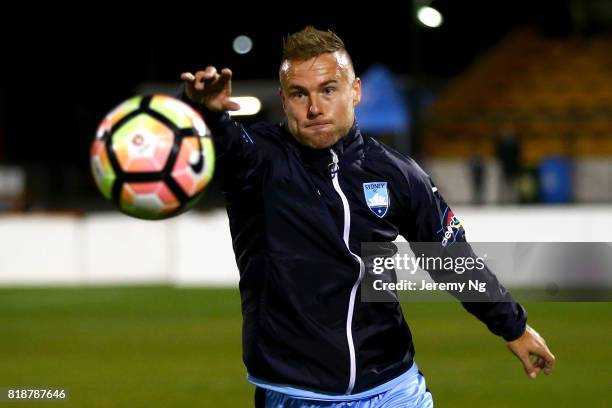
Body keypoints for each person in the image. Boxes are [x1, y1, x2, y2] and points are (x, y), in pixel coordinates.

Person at [180, 26, 554, 408]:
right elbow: (218, 145)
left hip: (393, 385)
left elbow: (448, 257)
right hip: (297, 393)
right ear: (283, 99)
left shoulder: (397, 173)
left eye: (328, 90)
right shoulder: (257, 161)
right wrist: (204, 114)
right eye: (299, 94)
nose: (314, 107)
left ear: (355, 91)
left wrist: (514, 326)